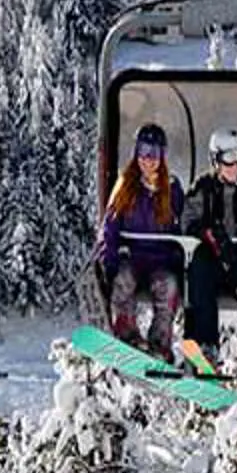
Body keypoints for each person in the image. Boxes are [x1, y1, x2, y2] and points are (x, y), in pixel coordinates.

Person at [181, 128, 237, 376]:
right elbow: (188, 220)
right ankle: (207, 347)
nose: (234, 166)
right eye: (227, 159)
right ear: (215, 160)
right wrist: (207, 233)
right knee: (198, 270)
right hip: (213, 263)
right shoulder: (203, 188)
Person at [95, 122, 185, 359]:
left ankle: (160, 343)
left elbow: (182, 225)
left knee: (168, 287)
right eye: (144, 152)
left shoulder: (171, 189)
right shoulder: (126, 186)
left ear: (162, 156)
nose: (148, 159)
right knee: (123, 281)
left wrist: (179, 260)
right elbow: (110, 226)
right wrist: (109, 262)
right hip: (133, 256)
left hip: (160, 260)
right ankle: (127, 333)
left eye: (154, 153)